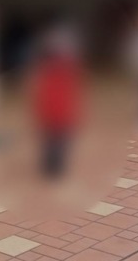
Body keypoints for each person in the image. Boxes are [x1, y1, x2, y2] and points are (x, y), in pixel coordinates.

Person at [31, 23, 83, 180]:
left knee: (50, 140)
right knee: (60, 141)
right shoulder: (71, 67)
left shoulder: (44, 68)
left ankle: (49, 166)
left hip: (49, 111)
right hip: (63, 111)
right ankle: (57, 167)